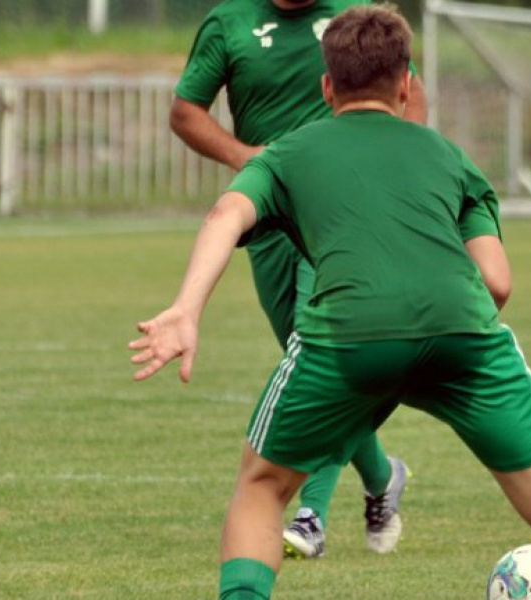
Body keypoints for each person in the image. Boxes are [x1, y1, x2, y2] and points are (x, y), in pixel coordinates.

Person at [131, 6, 531, 600]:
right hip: (466, 335)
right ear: (406, 85)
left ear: (327, 87)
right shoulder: (451, 158)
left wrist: (186, 310)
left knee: (263, 488)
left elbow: (227, 214)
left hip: (348, 338)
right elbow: (497, 282)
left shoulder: (288, 154)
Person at [169, 0, 427, 559]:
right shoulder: (229, 23)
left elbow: (410, 91)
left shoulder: (355, 20)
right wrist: (244, 156)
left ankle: (310, 516)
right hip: (268, 221)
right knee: (316, 358)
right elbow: (185, 111)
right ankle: (382, 477)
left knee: (327, 346)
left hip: (342, 215)